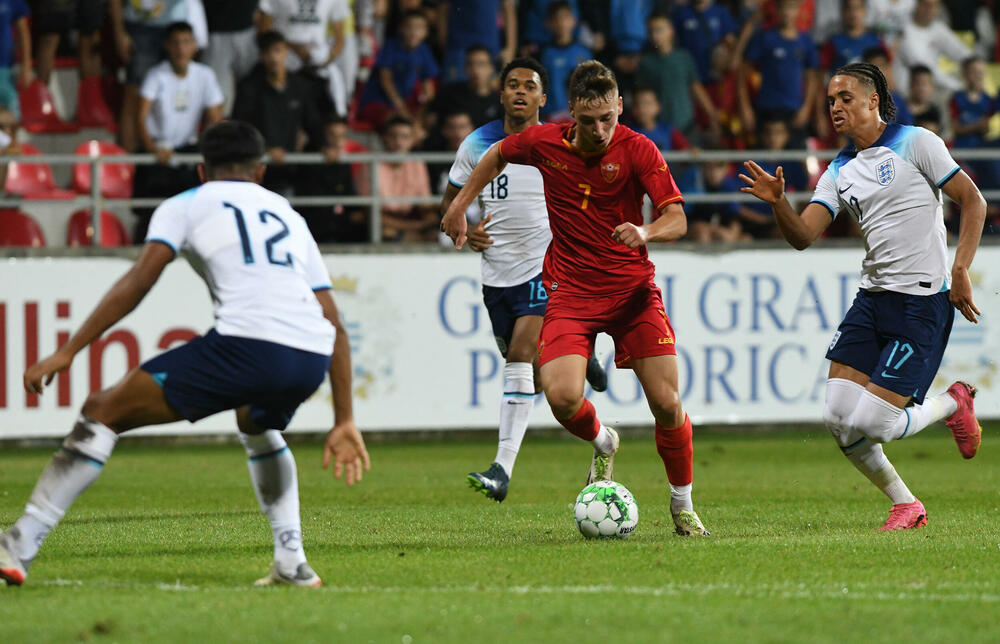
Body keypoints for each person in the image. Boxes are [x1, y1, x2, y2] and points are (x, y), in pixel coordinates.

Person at [0, 121, 370, 588]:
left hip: (248, 345)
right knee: (256, 424)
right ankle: (292, 561)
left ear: (201, 170)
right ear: (259, 170)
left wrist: (69, 350)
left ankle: (20, 542)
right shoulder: (288, 214)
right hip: (310, 354)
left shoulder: (187, 203)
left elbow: (140, 280)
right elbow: (332, 318)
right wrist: (344, 418)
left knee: (102, 411)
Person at [442, 60, 709, 536]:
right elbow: (498, 153)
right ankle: (605, 441)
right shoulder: (545, 143)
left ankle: (682, 505)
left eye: (608, 118)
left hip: (632, 292)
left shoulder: (639, 148)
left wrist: (645, 229)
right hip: (571, 292)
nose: (600, 130)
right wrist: (460, 205)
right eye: (588, 121)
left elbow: (678, 217)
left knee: (667, 404)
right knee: (563, 397)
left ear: (619, 107)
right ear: (571, 114)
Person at [739, 62, 985, 531]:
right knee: (837, 418)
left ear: (873, 101)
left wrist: (960, 268)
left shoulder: (918, 142)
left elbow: (973, 201)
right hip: (872, 301)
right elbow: (803, 236)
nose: (835, 107)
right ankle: (906, 504)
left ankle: (954, 402)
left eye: (845, 98)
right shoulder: (839, 169)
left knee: (873, 425)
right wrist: (778, 204)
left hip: (920, 304)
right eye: (831, 100)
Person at [440, 57, 607, 502]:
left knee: (519, 352)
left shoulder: (559, 142)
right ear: (501, 94)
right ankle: (602, 435)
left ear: (543, 98)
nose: (520, 92)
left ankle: (501, 469)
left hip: (548, 268)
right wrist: (465, 227)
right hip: (497, 277)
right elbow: (451, 202)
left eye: (529, 86)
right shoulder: (477, 144)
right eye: (512, 84)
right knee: (531, 377)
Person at [233, 30, 324, 196]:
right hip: (254, 173)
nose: (273, 57)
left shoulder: (299, 87)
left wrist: (326, 146)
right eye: (268, 52)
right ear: (261, 56)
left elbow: (313, 124)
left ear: (286, 52)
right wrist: (265, 151)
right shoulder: (249, 88)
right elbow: (241, 129)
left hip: (287, 172)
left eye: (277, 50)